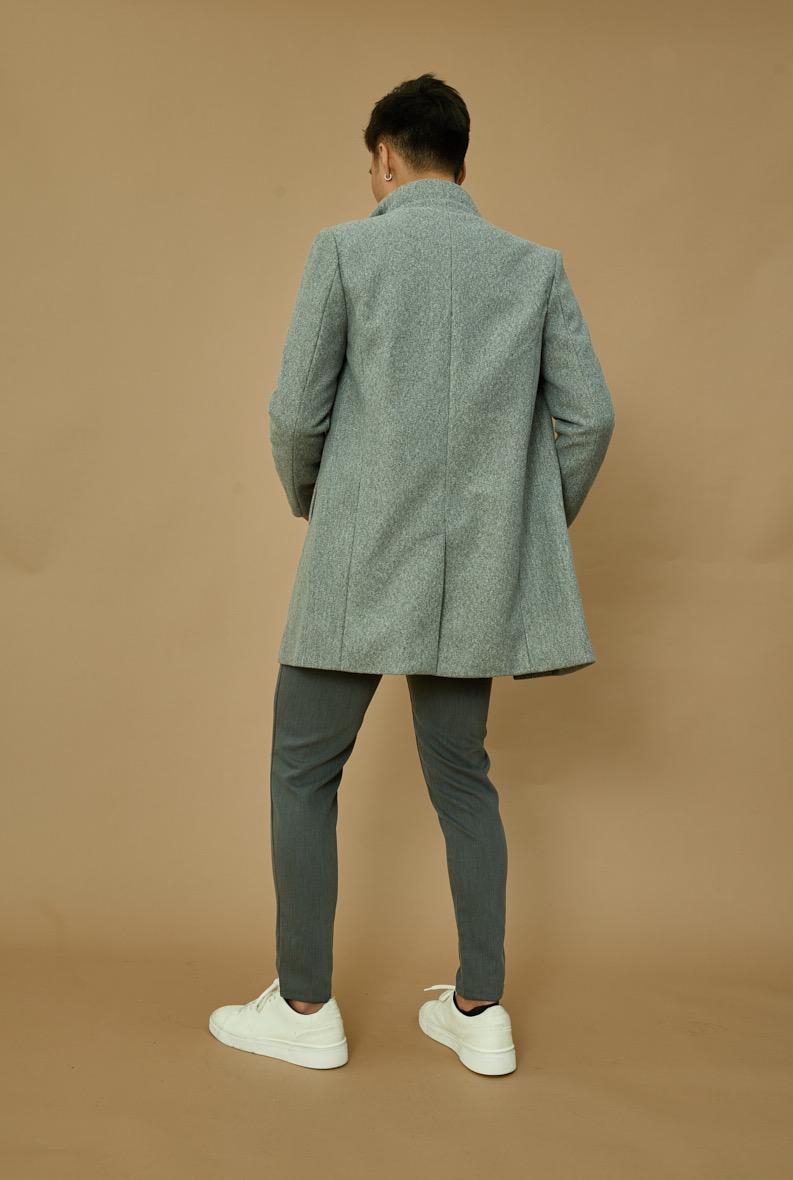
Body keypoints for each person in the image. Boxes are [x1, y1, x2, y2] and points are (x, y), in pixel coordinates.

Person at [209, 73, 615, 1075]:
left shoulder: (345, 251)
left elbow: (293, 417)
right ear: (460, 166)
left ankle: (304, 1005)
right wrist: (523, 527)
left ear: (385, 159)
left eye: (372, 165)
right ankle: (480, 1011)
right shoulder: (534, 268)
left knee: (302, 771)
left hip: (355, 563)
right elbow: (589, 419)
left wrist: (322, 506)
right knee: (464, 779)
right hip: (470, 577)